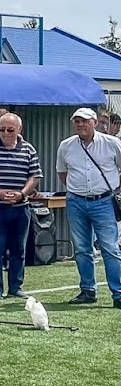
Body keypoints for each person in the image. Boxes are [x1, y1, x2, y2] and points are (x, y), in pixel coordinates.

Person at [55, 107, 121, 309]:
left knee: (110, 248)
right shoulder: (66, 146)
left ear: (94, 122)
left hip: (104, 201)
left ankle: (118, 293)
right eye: (77, 121)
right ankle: (88, 290)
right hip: (76, 201)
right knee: (82, 248)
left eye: (84, 121)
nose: (80, 124)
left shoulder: (112, 144)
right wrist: (79, 190)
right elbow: (62, 173)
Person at [0, 113, 42, 299]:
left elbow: (35, 176)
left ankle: (15, 287)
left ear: (19, 129)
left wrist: (21, 194)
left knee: (18, 250)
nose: (5, 133)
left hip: (21, 208)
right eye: (1, 129)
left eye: (10, 129)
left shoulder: (29, 149)